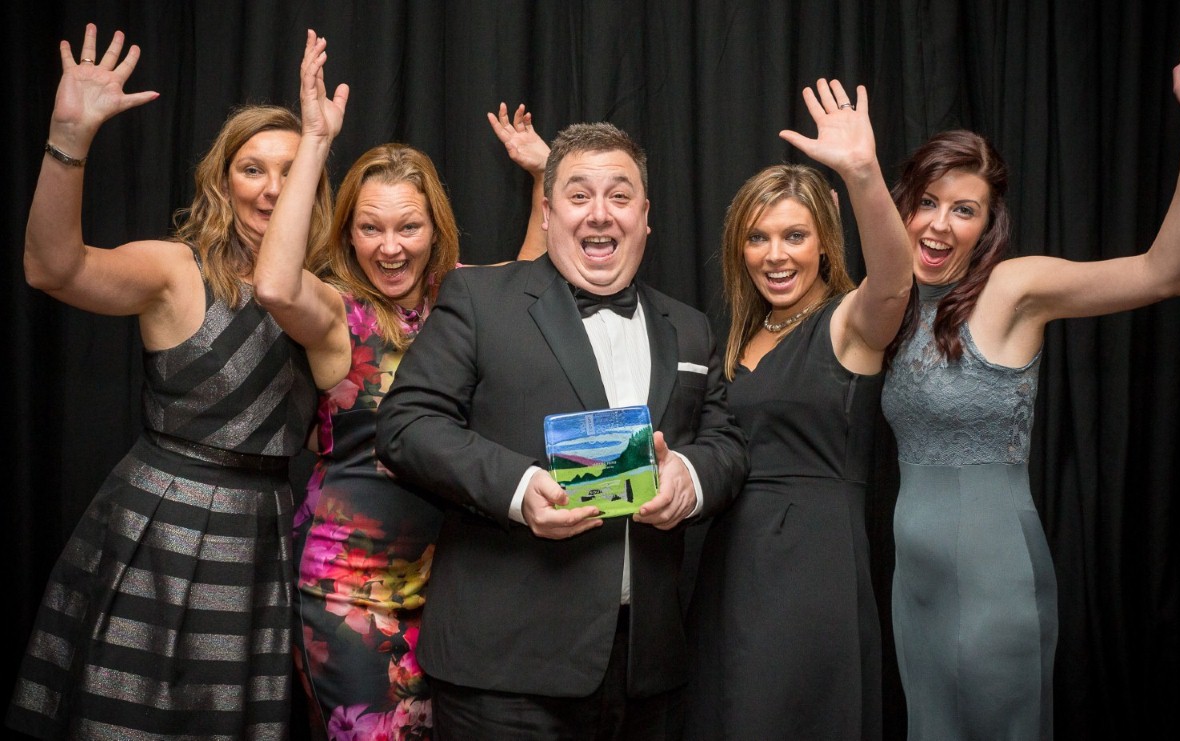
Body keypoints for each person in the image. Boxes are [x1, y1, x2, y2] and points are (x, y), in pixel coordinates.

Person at [8, 25, 338, 739]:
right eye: (253, 168)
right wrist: (69, 138)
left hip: (264, 536)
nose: (273, 187)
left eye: (290, 168)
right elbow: (52, 268)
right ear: (223, 181)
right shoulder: (174, 268)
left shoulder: (325, 296)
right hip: (162, 526)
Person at [373, 121, 749, 739]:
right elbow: (406, 424)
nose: (599, 214)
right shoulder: (480, 298)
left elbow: (726, 441)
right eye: (578, 195)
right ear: (547, 213)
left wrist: (691, 476)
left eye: (620, 196)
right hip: (504, 670)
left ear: (646, 215)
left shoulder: (689, 327)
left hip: (644, 671)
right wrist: (518, 489)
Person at [880, 33, 1180, 740]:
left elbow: (1164, 272)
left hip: (992, 587)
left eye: (963, 209)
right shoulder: (890, 301)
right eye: (927, 201)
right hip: (915, 591)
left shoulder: (1012, 288)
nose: (939, 224)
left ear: (989, 224)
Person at [253, 33, 551, 739]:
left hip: (446, 594)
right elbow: (272, 283)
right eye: (371, 228)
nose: (391, 246)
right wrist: (316, 140)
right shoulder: (336, 315)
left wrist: (545, 173)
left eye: (409, 226)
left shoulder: (461, 302)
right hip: (348, 593)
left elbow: (532, 272)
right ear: (349, 234)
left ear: (434, 226)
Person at [684, 80, 911, 740]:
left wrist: (863, 174)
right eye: (758, 237)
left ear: (823, 241)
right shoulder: (732, 336)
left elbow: (896, 282)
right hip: (728, 566)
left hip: (809, 569)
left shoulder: (845, 324)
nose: (775, 254)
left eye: (793, 235)